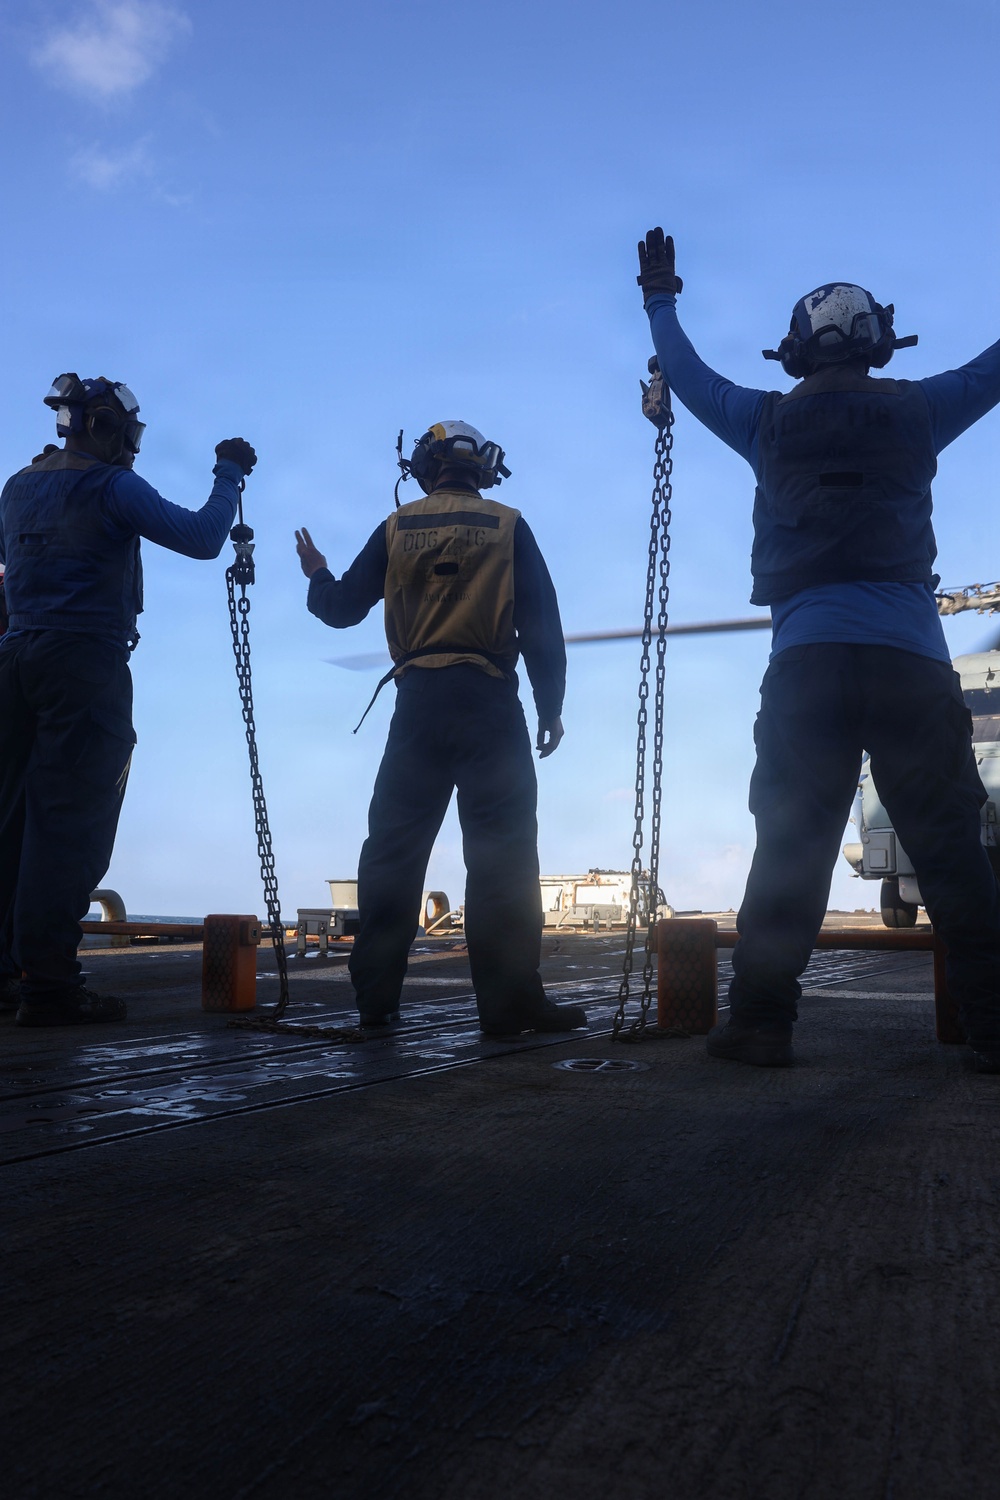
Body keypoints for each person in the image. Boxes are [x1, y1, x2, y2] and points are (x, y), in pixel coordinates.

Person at [636, 228, 1000, 1071]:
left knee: (791, 851)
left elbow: (686, 375)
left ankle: (762, 1022)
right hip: (909, 663)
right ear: (878, 341)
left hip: (806, 669)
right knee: (951, 853)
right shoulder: (918, 408)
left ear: (796, 350)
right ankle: (995, 1030)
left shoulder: (763, 419)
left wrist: (660, 295)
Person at [296, 419, 586, 1036]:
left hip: (418, 705)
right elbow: (542, 626)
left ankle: (375, 1001)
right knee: (502, 860)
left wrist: (316, 572)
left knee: (393, 855)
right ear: (483, 467)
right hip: (488, 703)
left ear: (425, 469)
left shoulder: (397, 528)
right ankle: (509, 1007)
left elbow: (342, 607)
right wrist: (550, 706)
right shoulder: (509, 525)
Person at [0, 372, 256, 1026]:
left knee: (13, 824)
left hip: (15, 662)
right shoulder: (112, 486)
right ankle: (52, 990)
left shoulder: (17, 487)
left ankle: (9, 974)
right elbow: (201, 537)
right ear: (108, 427)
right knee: (68, 829)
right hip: (84, 666)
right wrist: (228, 474)